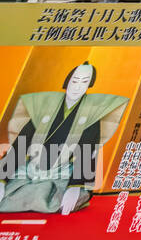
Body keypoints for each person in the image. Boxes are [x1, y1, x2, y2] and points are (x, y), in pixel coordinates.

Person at [0, 62, 127, 215]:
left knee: (61, 197)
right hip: (30, 170)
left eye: (84, 82)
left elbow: (87, 152)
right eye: (74, 81)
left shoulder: (92, 114)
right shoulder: (44, 106)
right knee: (8, 191)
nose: (77, 87)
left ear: (89, 85)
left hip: (63, 173)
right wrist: (2, 180)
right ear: (67, 81)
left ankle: (47, 197)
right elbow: (21, 145)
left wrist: (75, 187)